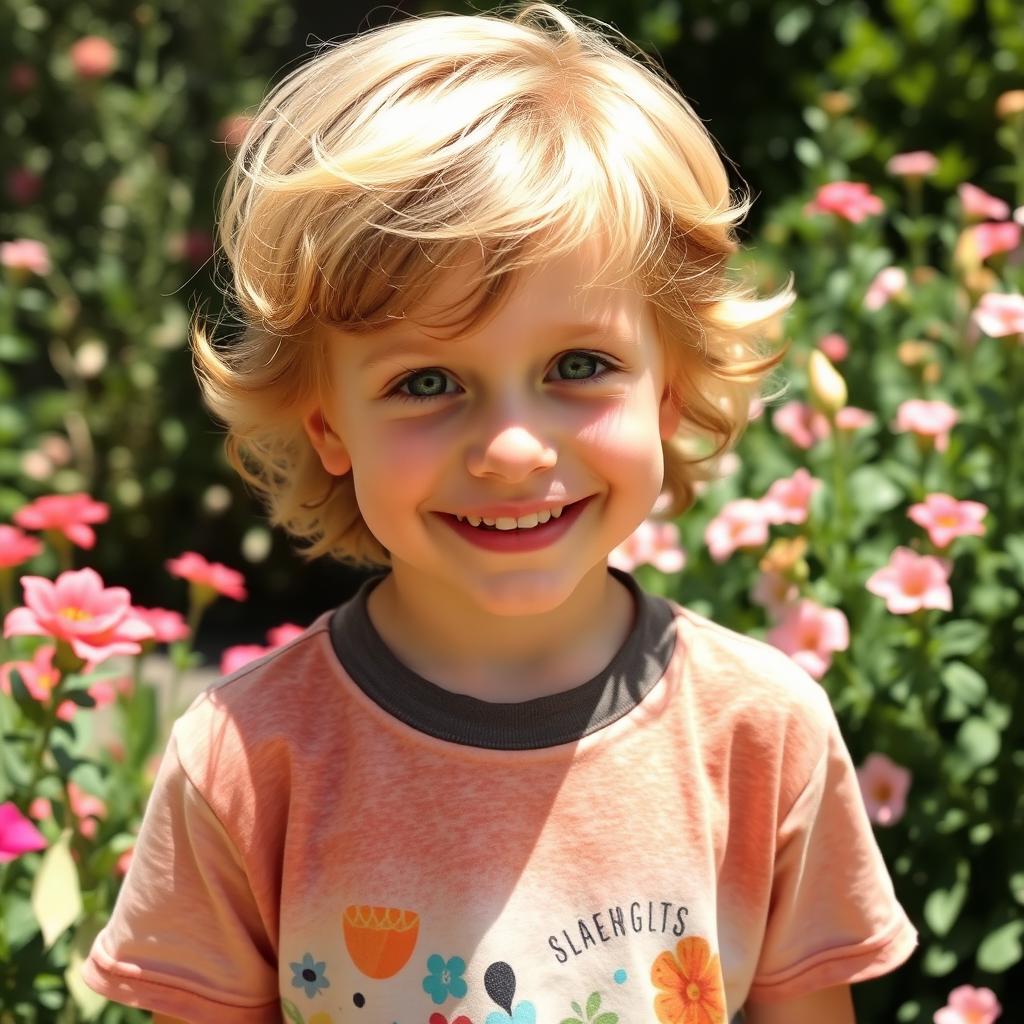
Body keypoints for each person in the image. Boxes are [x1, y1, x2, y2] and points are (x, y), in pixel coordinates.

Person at [80, 3, 919, 1022]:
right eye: (427, 381)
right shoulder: (248, 760)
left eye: (578, 366)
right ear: (329, 426)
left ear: (666, 391)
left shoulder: (761, 733)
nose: (513, 449)